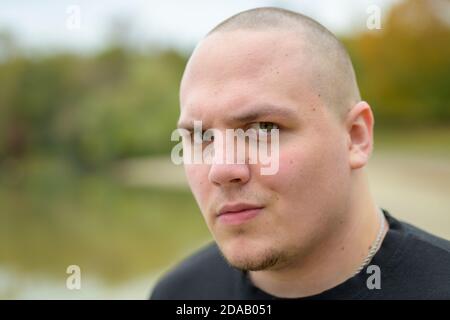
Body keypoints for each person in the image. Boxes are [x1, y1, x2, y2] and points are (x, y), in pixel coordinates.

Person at [150, 7, 450, 299]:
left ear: (356, 136)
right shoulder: (179, 293)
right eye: (201, 137)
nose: (221, 169)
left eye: (263, 129)